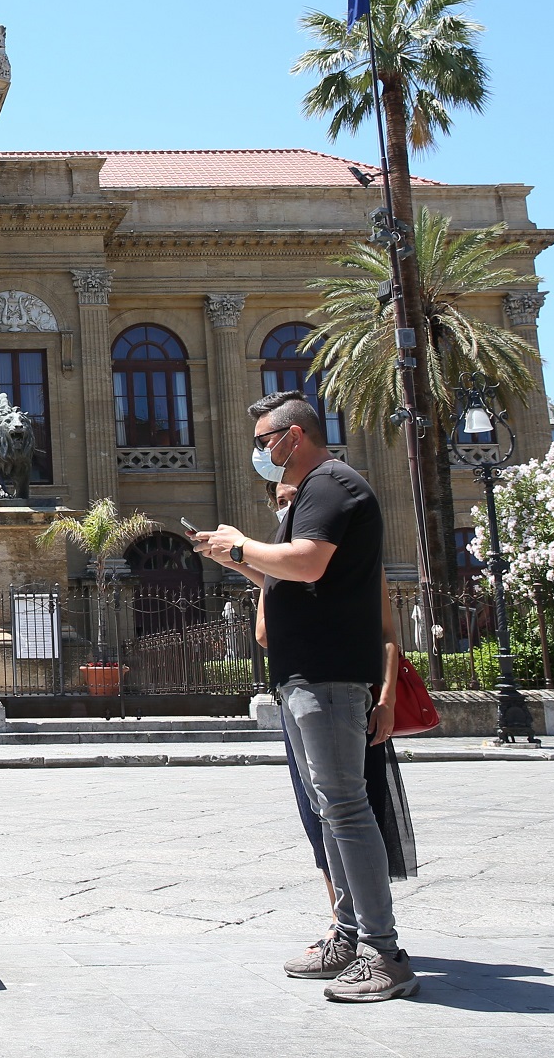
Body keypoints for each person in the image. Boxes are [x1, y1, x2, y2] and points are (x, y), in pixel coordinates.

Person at [192, 389, 419, 1002]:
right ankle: (347, 934)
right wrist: (234, 554)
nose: (261, 453)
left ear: (294, 437)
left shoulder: (330, 484)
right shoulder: (318, 489)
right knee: (331, 810)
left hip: (327, 675)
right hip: (304, 674)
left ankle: (383, 951)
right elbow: (287, 574)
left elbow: (310, 563)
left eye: (266, 441)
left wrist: (241, 544)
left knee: (345, 809)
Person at [251, 483, 419, 946]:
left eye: (294, 500)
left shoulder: (350, 561)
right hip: (296, 690)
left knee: (348, 810)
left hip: (342, 696)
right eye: (281, 502)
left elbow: (386, 632)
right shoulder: (282, 566)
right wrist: (254, 567)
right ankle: (344, 928)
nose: (287, 508)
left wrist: (384, 701)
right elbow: (269, 630)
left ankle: (377, 943)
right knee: (321, 816)